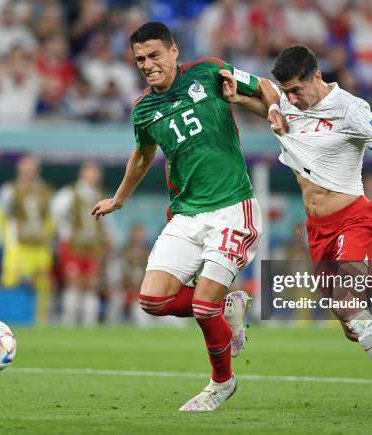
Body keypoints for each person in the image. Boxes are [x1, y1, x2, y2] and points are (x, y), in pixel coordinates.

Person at [222, 45, 372, 417]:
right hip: (317, 229)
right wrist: (238, 97)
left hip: (355, 220)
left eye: (297, 90)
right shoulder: (288, 104)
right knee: (354, 326)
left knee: (348, 304)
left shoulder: (352, 110)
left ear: (317, 78)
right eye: (285, 92)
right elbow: (261, 99)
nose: (291, 99)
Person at [91, 22, 266, 412]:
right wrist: (119, 199)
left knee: (204, 308)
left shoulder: (209, 70)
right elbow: (142, 156)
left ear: (174, 51)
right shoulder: (142, 110)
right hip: (186, 215)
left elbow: (264, 90)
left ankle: (221, 383)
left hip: (231, 207)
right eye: (140, 59)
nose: (148, 64)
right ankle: (229, 309)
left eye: (154, 55)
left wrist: (279, 118)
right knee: (152, 301)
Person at [0, 154, 54, 324]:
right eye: (26, 168)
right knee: (10, 282)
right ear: (19, 169)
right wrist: (6, 239)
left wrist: (46, 235)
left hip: (39, 246)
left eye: (32, 168)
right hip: (17, 245)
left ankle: (41, 321)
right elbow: (0, 215)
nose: (29, 172)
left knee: (43, 284)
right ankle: (5, 321)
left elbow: (50, 218)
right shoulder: (10, 189)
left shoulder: (45, 190)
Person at [52, 161, 111, 326]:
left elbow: (106, 222)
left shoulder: (101, 195)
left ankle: (89, 322)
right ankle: (69, 321)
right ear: (82, 174)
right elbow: (55, 215)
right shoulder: (69, 194)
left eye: (96, 172)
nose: (94, 175)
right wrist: (64, 235)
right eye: (90, 172)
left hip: (93, 246)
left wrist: (107, 238)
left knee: (92, 284)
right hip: (73, 245)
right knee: (74, 283)